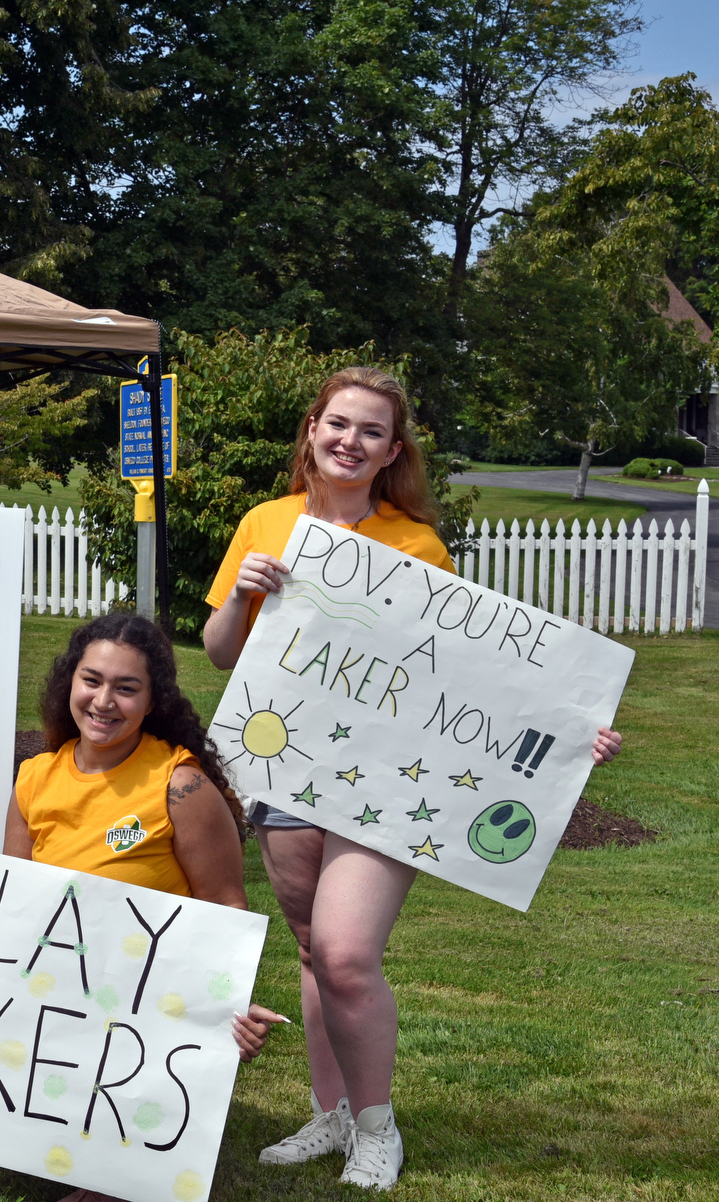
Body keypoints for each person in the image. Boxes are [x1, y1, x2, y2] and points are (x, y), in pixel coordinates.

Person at [202, 366, 622, 1190]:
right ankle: (329, 1114)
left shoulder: (416, 543)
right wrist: (240, 596)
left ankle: (376, 1127)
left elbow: (462, 676)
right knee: (313, 952)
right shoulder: (265, 522)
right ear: (312, 429)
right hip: (287, 765)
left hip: (387, 781)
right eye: (338, 424)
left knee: (349, 954)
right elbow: (221, 652)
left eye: (370, 432)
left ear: (393, 451)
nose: (349, 442)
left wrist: (571, 736)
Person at [0, 613, 285, 1202]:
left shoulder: (181, 786)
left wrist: (225, 1006)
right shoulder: (34, 779)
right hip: (60, 1004)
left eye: (127, 688)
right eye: (91, 680)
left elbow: (224, 907)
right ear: (69, 681)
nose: (104, 701)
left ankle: (114, 1167)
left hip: (147, 1014)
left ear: (153, 700)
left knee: (105, 1176)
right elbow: (9, 911)